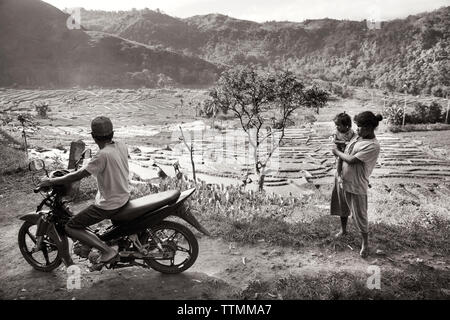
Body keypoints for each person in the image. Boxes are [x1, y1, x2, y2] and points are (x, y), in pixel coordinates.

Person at [38, 116, 130, 264]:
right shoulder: (121, 145)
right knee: (83, 218)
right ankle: (90, 242)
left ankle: (107, 251)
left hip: (110, 203)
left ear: (93, 137)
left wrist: (51, 181)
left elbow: (78, 175)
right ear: (112, 133)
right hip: (123, 195)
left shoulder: (102, 155)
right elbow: (109, 163)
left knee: (70, 226)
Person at [330, 111, 383, 258]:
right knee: (342, 206)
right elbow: (347, 148)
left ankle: (365, 243)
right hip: (344, 179)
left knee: (360, 214)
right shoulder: (359, 137)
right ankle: (343, 230)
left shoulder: (372, 145)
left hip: (356, 184)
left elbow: (352, 160)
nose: (357, 130)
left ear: (368, 127)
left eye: (359, 127)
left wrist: (336, 152)